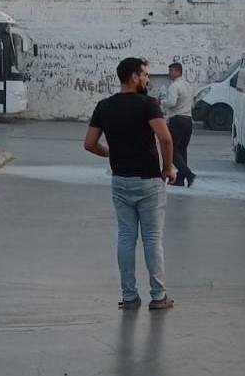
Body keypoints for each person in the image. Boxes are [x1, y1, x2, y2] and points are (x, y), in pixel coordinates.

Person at [84, 57, 176, 311]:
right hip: (148, 182)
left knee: (126, 238)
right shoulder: (148, 105)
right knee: (152, 238)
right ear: (134, 77)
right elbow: (165, 139)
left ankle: (129, 296)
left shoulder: (104, 106)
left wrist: (110, 154)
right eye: (145, 74)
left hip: (120, 181)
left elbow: (89, 143)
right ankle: (158, 297)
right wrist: (167, 169)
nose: (148, 79)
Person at [162, 62, 196, 187]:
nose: (169, 73)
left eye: (171, 71)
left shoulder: (174, 86)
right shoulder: (188, 85)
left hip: (177, 120)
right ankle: (181, 180)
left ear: (178, 72)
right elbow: (192, 103)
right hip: (188, 119)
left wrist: (162, 102)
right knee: (182, 150)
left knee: (172, 150)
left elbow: (171, 102)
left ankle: (188, 173)